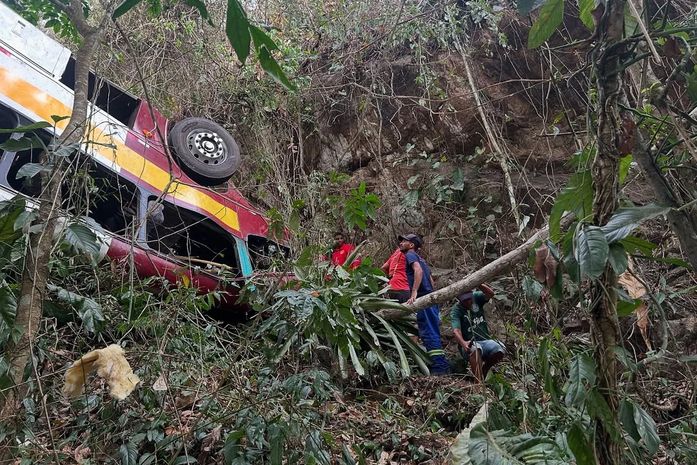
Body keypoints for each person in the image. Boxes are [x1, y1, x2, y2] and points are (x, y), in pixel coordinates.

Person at [398, 233, 450, 375]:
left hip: (424, 300)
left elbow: (418, 271)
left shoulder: (410, 255)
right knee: (432, 332)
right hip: (430, 300)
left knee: (429, 333)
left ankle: (440, 370)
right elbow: (431, 280)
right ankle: (442, 366)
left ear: (412, 245)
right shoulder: (422, 260)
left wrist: (414, 292)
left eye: (404, 241)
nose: (401, 243)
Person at [450, 283, 504, 382]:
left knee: (500, 349)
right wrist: (463, 343)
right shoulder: (456, 310)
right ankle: (478, 382)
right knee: (475, 349)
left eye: (469, 298)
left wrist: (478, 283)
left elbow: (490, 294)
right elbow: (456, 330)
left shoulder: (476, 297)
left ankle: (485, 369)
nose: (468, 302)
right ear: (459, 299)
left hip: (484, 341)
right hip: (470, 344)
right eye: (465, 300)